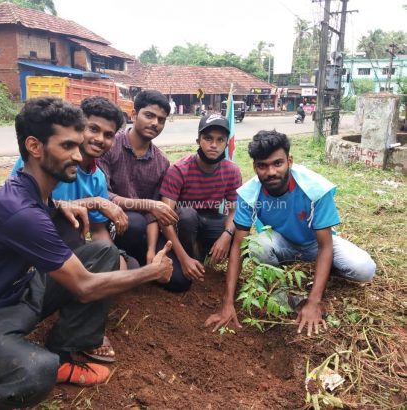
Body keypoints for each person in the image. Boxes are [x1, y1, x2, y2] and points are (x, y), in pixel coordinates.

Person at [0, 97, 173, 409]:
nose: (79, 153)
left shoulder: (34, 194)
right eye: (68, 146)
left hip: (14, 298)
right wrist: (150, 271)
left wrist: (71, 204)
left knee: (101, 252)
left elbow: (52, 217)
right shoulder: (20, 211)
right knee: (37, 371)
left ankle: (64, 349)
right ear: (34, 146)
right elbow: (84, 287)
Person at [205, 130, 376, 336]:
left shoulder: (314, 189)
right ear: (255, 167)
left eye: (278, 163)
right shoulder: (249, 194)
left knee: (364, 269)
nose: (271, 172)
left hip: (314, 242)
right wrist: (227, 302)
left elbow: (325, 245)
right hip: (282, 242)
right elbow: (238, 247)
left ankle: (325, 270)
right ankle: (281, 290)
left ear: (290, 161)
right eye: (263, 165)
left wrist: (313, 302)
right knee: (254, 246)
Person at [11, 96, 132, 363]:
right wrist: (91, 201)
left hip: (67, 250)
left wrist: (114, 265)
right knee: (68, 221)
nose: (100, 138)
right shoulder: (44, 157)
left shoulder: (97, 177)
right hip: (35, 248)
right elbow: (21, 206)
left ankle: (75, 332)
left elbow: (99, 229)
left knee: (119, 261)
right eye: (93, 128)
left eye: (109, 134)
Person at [158, 113, 242, 292]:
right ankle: (189, 258)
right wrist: (183, 258)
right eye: (208, 138)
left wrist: (226, 235)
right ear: (198, 141)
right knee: (188, 215)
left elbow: (235, 211)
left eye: (220, 140)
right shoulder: (179, 170)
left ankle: (221, 269)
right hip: (182, 221)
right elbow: (164, 218)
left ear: (226, 143)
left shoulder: (232, 171)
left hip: (211, 218)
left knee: (241, 232)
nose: (214, 145)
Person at [98, 90, 178, 267]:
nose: (155, 123)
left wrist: (151, 250)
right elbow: (103, 196)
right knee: (134, 221)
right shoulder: (109, 146)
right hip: (109, 224)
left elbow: (154, 214)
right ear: (134, 115)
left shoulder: (161, 162)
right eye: (149, 115)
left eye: (161, 120)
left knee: (178, 282)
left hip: (146, 231)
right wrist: (148, 204)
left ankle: (139, 259)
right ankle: (118, 258)